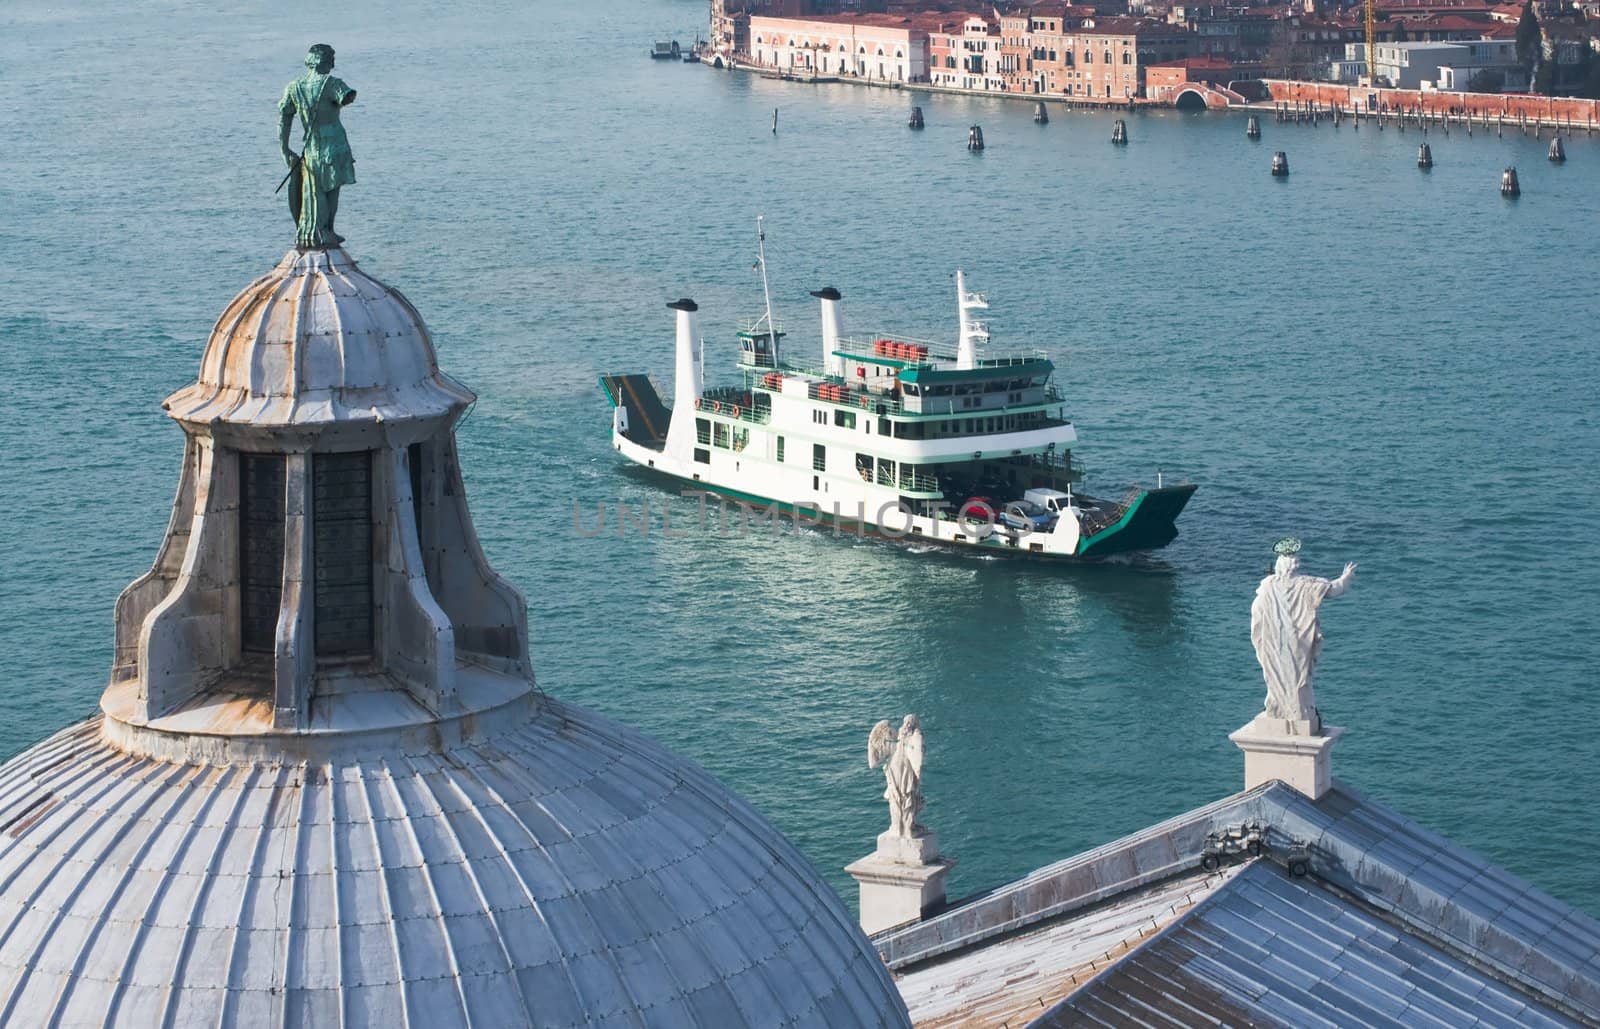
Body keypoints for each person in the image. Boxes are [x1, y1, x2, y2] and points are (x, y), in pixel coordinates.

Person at [1249, 539, 1356, 729]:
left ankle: (1281, 707)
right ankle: (1297, 710)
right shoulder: (1305, 584)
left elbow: (1257, 618)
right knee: (1299, 679)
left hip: (1273, 643)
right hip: (1298, 642)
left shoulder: (1267, 587)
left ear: (1279, 567)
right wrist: (1346, 577)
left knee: (1277, 677)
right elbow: (1334, 589)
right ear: (1294, 566)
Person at [279, 44, 357, 248]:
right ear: (325, 61)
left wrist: (284, 148)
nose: (333, 63)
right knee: (332, 189)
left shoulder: (294, 87)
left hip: (311, 146)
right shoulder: (333, 84)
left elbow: (284, 119)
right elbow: (347, 97)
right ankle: (327, 230)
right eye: (332, 59)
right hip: (334, 144)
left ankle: (316, 230)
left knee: (314, 190)